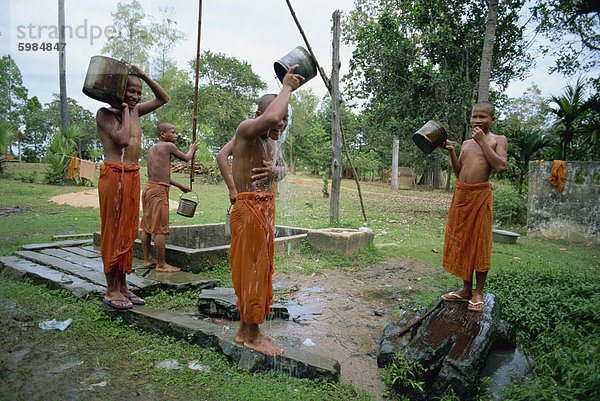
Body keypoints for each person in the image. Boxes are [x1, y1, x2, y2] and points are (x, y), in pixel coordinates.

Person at [223, 65, 302, 356]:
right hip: (248, 208)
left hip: (265, 209)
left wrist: (276, 169)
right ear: (259, 117)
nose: (281, 124)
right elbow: (270, 116)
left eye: (285, 120)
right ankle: (251, 335)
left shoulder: (270, 143)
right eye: (278, 119)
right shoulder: (246, 129)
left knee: (260, 270)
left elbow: (280, 171)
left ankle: (248, 330)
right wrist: (288, 88)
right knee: (252, 271)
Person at [96, 64, 169, 309]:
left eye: (138, 92)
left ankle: (123, 285)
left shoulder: (136, 111)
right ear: (118, 90)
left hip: (133, 175)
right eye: (130, 91)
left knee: (128, 231)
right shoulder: (105, 114)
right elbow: (124, 139)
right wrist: (126, 108)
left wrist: (144, 77)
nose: (136, 97)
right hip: (114, 175)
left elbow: (163, 98)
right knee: (113, 230)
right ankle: (110, 288)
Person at [440, 101, 507, 312]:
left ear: (492, 120)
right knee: (462, 242)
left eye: (483, 117)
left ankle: (479, 292)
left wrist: (483, 142)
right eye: (474, 116)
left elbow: (500, 166)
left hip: (480, 197)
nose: (477, 120)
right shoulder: (467, 144)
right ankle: (466, 289)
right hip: (461, 196)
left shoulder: (498, 140)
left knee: (480, 243)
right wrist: (451, 151)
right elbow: (460, 172)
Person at [140, 122, 198, 272]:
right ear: (162, 134)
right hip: (159, 192)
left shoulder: (152, 149)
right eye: (172, 132)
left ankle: (147, 259)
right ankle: (161, 264)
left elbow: (161, 175)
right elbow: (186, 158)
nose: (175, 135)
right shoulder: (168, 146)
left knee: (147, 226)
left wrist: (179, 185)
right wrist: (191, 149)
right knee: (160, 229)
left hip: (149, 188)